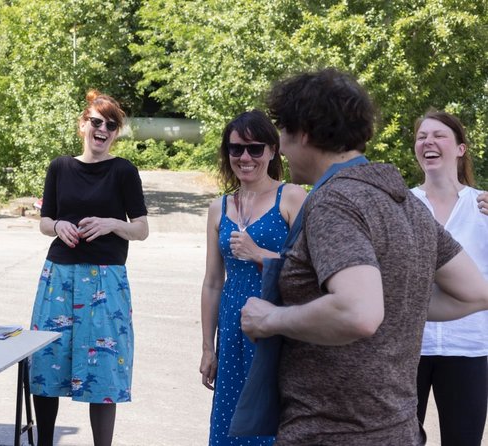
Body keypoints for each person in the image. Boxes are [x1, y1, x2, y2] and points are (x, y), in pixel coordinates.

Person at [239, 68, 488, 445]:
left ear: (304, 132)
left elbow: (358, 313)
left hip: (332, 431)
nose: (283, 150)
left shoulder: (334, 201)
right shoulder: (405, 203)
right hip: (397, 431)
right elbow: (475, 292)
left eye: (284, 136)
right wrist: (396, 303)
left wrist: (272, 318)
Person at [29, 90, 149, 446]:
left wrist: (112, 224)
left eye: (111, 125)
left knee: (103, 367)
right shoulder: (60, 167)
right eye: (97, 122)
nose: (103, 129)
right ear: (83, 125)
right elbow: (44, 220)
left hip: (106, 278)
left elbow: (141, 229)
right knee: (47, 357)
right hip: (59, 276)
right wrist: (57, 226)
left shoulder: (123, 171)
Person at [199, 110, 305, 445]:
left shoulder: (291, 197)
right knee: (232, 422)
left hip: (278, 326)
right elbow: (213, 281)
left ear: (273, 151)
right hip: (232, 328)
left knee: (273, 425)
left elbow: (312, 271)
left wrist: (259, 254)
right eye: (236, 149)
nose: (245, 157)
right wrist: (207, 348)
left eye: (255, 149)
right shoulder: (220, 207)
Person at [411, 110, 488, 446]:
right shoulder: (402, 206)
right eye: (421, 136)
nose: (428, 141)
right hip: (408, 347)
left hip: (469, 347)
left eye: (439, 135)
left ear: (460, 149)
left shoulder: (482, 206)